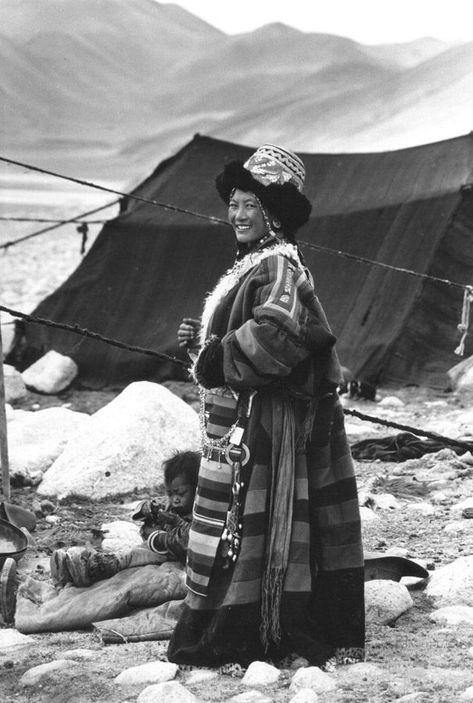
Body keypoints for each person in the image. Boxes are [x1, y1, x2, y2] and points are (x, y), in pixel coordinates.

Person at [168, 144, 365, 671]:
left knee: (245, 525)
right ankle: (246, 625)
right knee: (236, 524)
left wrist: (214, 356)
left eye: (250, 204)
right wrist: (203, 341)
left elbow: (277, 332)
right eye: (233, 202)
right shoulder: (258, 262)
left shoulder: (277, 263)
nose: (237, 213)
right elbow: (249, 332)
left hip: (262, 423)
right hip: (246, 418)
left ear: (274, 212)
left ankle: (245, 632)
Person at [50, 450, 200, 587]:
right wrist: (148, 509)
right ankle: (72, 568)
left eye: (180, 494)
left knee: (133, 557)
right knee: (133, 554)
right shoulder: (170, 505)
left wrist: (160, 535)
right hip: (159, 547)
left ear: (197, 488)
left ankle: (93, 568)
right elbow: (150, 506)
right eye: (170, 494)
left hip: (171, 553)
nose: (174, 499)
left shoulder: (200, 514)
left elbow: (187, 540)